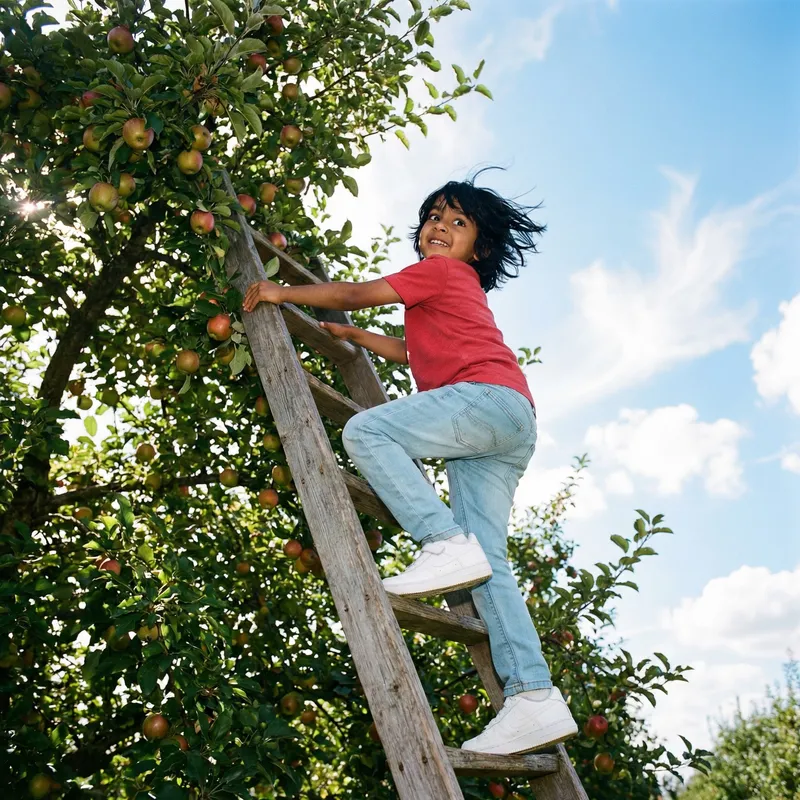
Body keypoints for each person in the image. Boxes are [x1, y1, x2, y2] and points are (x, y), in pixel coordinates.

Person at [242, 169, 578, 755]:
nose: (440, 227)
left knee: (368, 432)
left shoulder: (440, 273)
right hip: (508, 421)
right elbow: (414, 354)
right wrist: (359, 339)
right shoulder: (447, 294)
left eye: (458, 222)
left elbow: (354, 290)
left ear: (481, 246)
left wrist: (282, 292)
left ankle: (439, 543)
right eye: (433, 217)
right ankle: (534, 697)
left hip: (487, 402)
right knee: (487, 558)